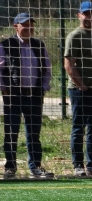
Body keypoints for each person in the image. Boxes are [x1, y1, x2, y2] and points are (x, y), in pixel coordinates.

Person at [0, 13, 52, 180]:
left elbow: (47, 68)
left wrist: (43, 88)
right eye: (25, 25)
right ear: (16, 26)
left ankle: (35, 166)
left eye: (31, 25)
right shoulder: (6, 45)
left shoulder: (38, 45)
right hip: (13, 96)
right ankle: (10, 167)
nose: (29, 28)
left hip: (34, 96)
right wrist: (4, 88)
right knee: (11, 131)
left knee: (33, 134)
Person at [64, 1, 92, 177]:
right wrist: (82, 85)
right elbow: (68, 65)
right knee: (78, 127)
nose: (89, 17)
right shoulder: (74, 36)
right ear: (79, 15)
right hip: (80, 90)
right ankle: (78, 165)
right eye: (86, 13)